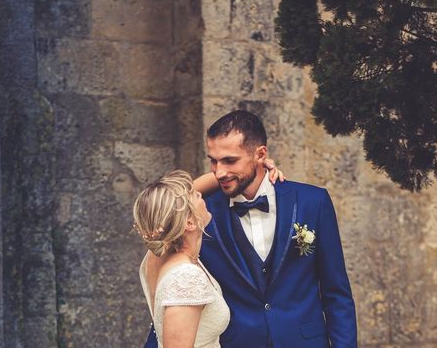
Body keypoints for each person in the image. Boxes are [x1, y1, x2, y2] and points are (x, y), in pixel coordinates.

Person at [144, 110, 357, 347]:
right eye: (213, 161)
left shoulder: (312, 201)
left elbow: (336, 293)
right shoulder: (199, 215)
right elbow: (174, 291)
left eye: (230, 160)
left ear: (261, 154)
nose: (219, 171)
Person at [134, 167, 283, 348]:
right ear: (189, 222)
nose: (200, 193)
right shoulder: (186, 278)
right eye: (195, 196)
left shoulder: (159, 256)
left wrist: (252, 165)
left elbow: (169, 205)